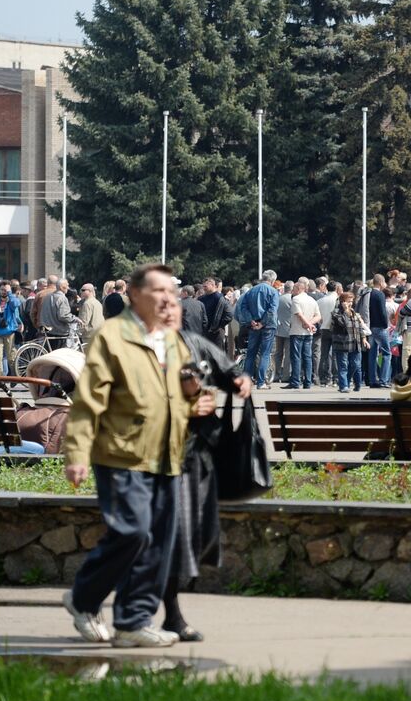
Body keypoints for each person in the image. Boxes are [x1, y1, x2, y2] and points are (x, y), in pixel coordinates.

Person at [62, 263, 214, 649]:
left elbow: (178, 393)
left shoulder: (173, 339)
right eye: (159, 291)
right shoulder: (111, 337)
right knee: (133, 531)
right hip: (121, 453)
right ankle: (82, 598)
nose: (168, 298)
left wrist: (195, 400)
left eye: (172, 291)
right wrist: (77, 453)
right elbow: (88, 401)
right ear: (134, 294)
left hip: (167, 454)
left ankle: (132, 622)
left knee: (158, 541)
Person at [160, 293, 251, 643]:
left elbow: (230, 372)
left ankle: (160, 613)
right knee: (165, 539)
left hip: (196, 458)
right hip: (156, 460)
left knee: (191, 538)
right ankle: (157, 614)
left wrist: (241, 381)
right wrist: (184, 408)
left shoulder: (194, 344)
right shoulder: (137, 353)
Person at [236, 271, 280, 389]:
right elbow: (272, 310)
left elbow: (243, 307)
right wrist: (262, 323)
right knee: (265, 354)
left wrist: (251, 320)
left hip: (253, 325)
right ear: (273, 280)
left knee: (251, 353)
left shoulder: (251, 291)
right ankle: (261, 382)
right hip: (268, 326)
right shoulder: (273, 292)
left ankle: (246, 381)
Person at [330, 292, 364, 393]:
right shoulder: (336, 313)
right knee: (343, 365)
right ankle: (343, 386)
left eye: (351, 301)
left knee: (355, 364)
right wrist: (345, 311)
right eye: (348, 301)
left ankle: (349, 382)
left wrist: (363, 338)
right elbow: (343, 323)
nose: (350, 303)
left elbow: (359, 326)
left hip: (355, 342)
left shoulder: (354, 312)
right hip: (342, 342)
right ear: (342, 302)